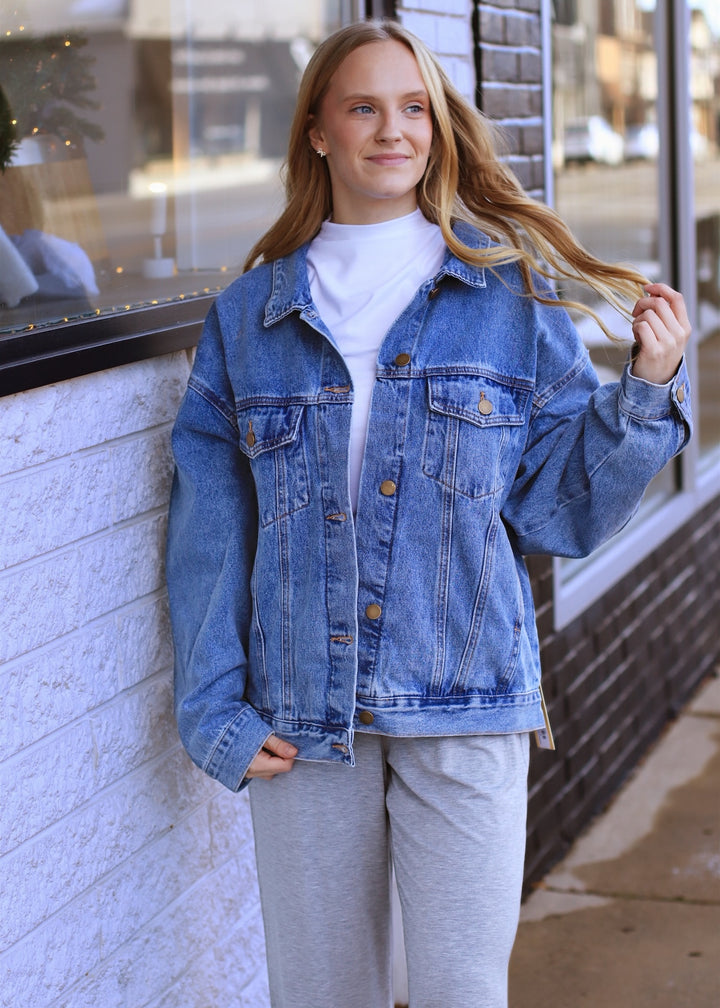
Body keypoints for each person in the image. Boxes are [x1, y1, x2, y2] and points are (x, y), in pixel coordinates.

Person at [166, 19, 692, 1008]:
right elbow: (210, 534)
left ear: (439, 129)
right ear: (317, 130)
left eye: (414, 108)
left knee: (461, 990)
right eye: (363, 107)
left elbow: (558, 512)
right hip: (303, 719)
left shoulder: (509, 294)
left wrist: (647, 390)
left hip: (466, 703)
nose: (392, 130)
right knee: (323, 996)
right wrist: (215, 712)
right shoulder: (248, 318)